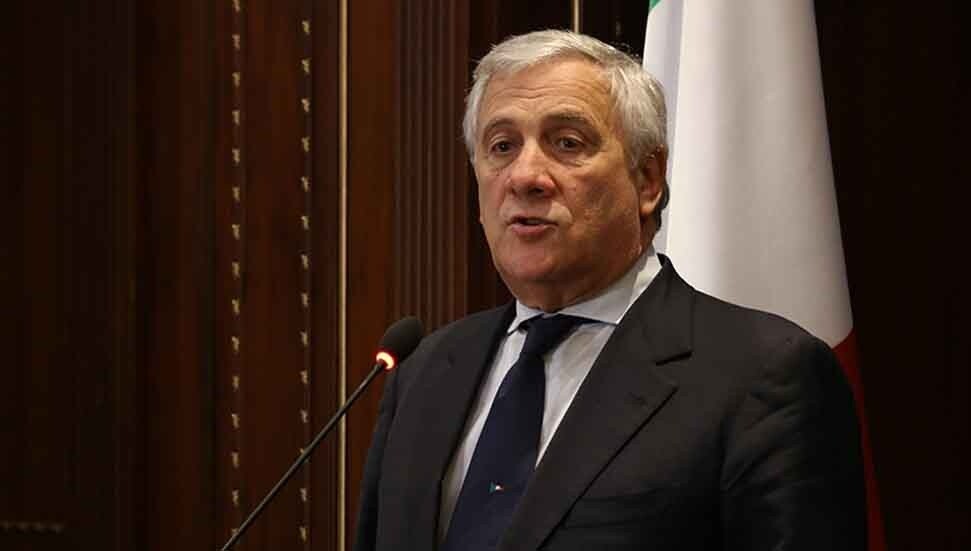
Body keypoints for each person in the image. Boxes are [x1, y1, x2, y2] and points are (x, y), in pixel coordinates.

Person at [354, 30, 864, 550]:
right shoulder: (424, 371)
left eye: (567, 143)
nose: (525, 176)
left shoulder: (761, 374)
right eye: (502, 147)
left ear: (647, 180)